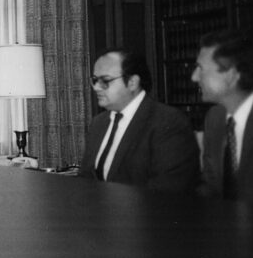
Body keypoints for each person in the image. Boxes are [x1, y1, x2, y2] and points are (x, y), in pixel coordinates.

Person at [78, 48, 199, 193]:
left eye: (105, 80)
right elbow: (86, 179)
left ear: (132, 82)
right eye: (94, 80)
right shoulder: (98, 124)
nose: (97, 87)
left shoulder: (168, 123)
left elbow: (168, 190)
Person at [192, 29, 253, 202]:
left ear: (231, 76)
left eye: (201, 68)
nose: (194, 77)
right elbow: (210, 188)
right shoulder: (215, 118)